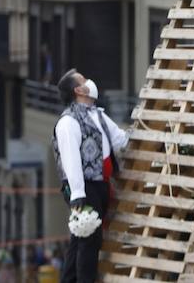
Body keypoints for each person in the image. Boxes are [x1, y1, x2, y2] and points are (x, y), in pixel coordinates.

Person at [52, 69, 128, 283]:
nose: (89, 81)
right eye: (84, 80)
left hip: (100, 184)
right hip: (83, 187)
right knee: (90, 240)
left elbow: (120, 139)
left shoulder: (97, 114)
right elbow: (71, 159)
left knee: (80, 239)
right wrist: (78, 193)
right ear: (79, 89)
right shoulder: (68, 122)